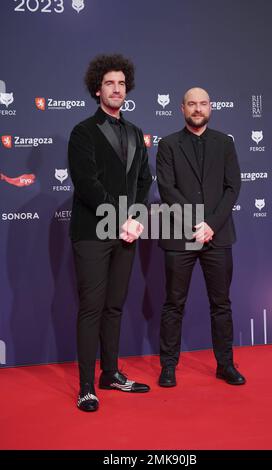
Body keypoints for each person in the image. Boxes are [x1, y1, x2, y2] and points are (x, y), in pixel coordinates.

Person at [68, 54, 152, 411]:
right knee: (92, 308)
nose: (116, 89)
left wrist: (136, 218)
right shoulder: (83, 132)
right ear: (97, 89)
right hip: (92, 233)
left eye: (121, 83)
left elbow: (143, 181)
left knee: (114, 307)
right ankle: (87, 386)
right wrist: (122, 219)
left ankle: (111, 373)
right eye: (109, 84)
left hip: (126, 234)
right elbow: (87, 184)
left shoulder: (134, 132)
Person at [156, 87, 246, 387]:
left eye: (203, 104)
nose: (198, 109)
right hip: (180, 235)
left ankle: (225, 365)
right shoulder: (168, 145)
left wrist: (211, 225)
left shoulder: (224, 143)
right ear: (182, 108)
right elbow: (167, 189)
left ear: (211, 107)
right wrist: (198, 223)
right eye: (192, 104)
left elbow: (233, 187)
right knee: (173, 303)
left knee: (221, 304)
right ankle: (168, 366)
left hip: (217, 236)